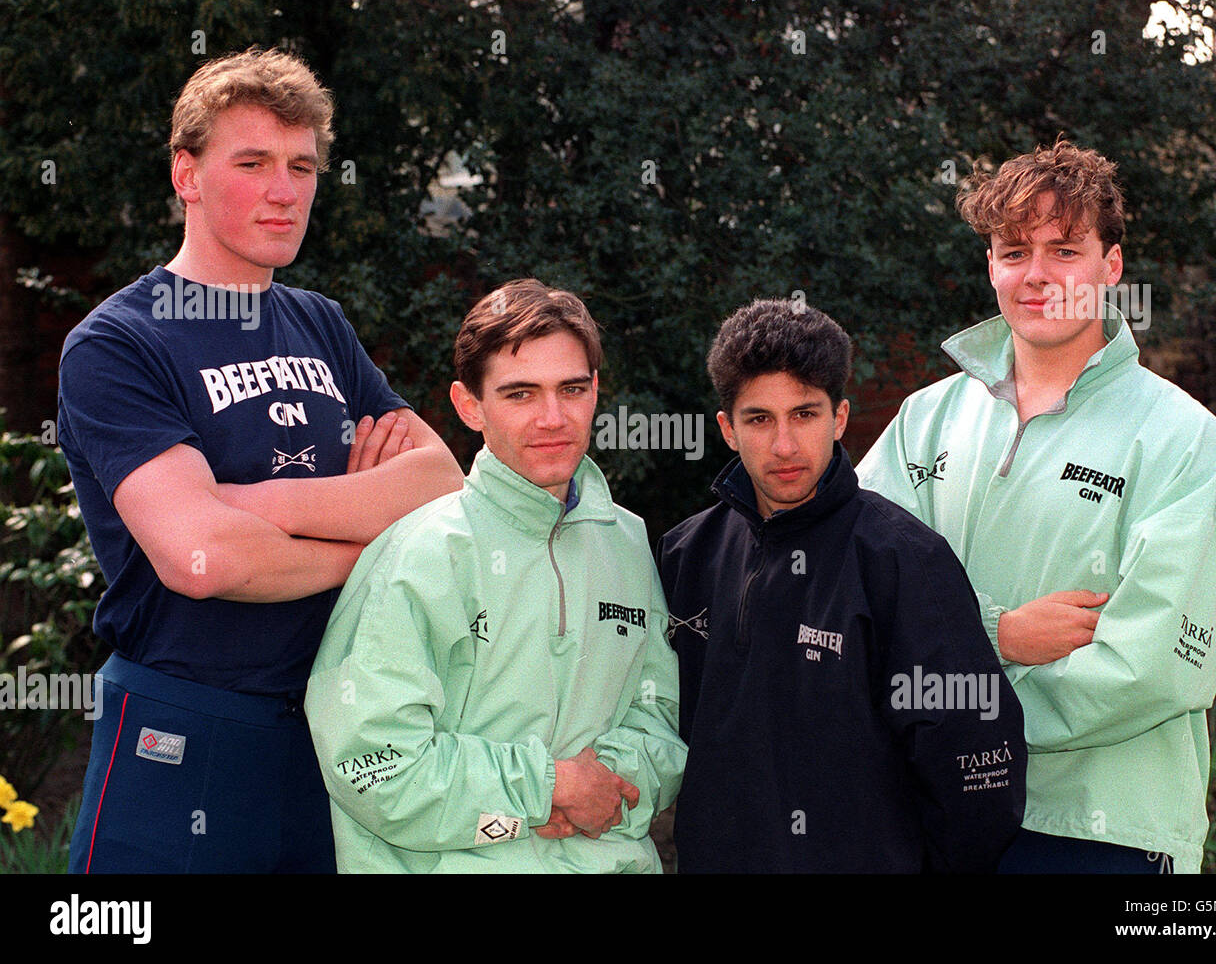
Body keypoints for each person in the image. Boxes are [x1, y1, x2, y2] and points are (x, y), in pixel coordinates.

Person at [57, 47, 463, 873]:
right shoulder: (118, 342)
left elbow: (441, 481)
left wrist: (254, 502)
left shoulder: (321, 323)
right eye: (253, 162)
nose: (285, 190)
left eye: (302, 165)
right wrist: (365, 536)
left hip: (329, 724)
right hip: (181, 727)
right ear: (187, 173)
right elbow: (201, 558)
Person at [857, 139, 1216, 873]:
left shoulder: (1181, 439)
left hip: (1097, 833)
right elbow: (862, 602)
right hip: (934, 812)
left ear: (1112, 266)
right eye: (1014, 250)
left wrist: (956, 714)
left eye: (1065, 249)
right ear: (990, 267)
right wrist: (998, 632)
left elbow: (1157, 665)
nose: (1036, 275)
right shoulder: (923, 421)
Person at [304, 279, 687, 872]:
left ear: (595, 394)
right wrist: (546, 791)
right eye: (521, 394)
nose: (553, 418)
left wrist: (607, 792)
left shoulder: (628, 541)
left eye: (572, 389)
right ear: (468, 405)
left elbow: (658, 719)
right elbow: (373, 765)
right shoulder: (421, 555)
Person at [654, 298, 1026, 873]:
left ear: (841, 417)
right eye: (759, 419)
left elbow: (974, 766)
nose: (784, 445)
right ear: (728, 428)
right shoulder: (684, 556)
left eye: (804, 414)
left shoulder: (904, 560)